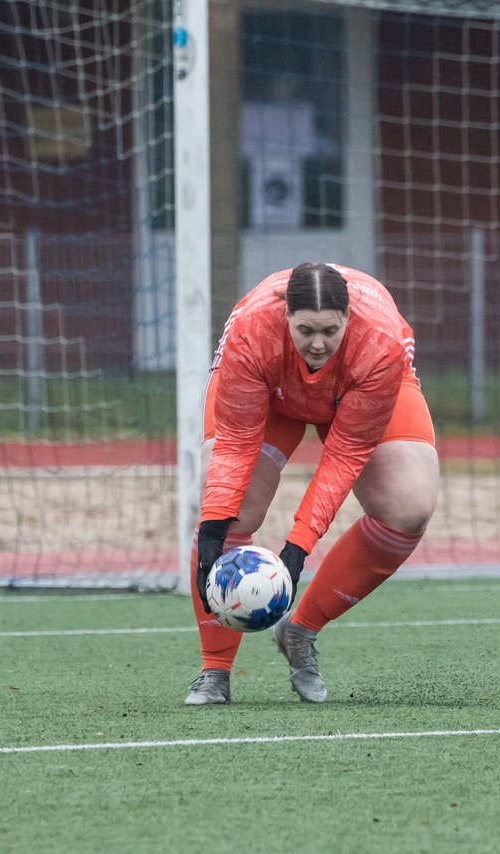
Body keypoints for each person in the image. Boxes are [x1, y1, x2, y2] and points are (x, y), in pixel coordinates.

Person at [185, 262, 439, 705]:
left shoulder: (380, 345)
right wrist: (212, 525)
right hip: (270, 391)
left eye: (330, 331)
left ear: (348, 320)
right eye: (305, 331)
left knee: (410, 505)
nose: (318, 344)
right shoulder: (252, 333)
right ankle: (214, 672)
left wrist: (298, 545)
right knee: (231, 510)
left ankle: (300, 630)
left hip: (356, 388)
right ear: (285, 317)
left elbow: (344, 455)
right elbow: (236, 444)